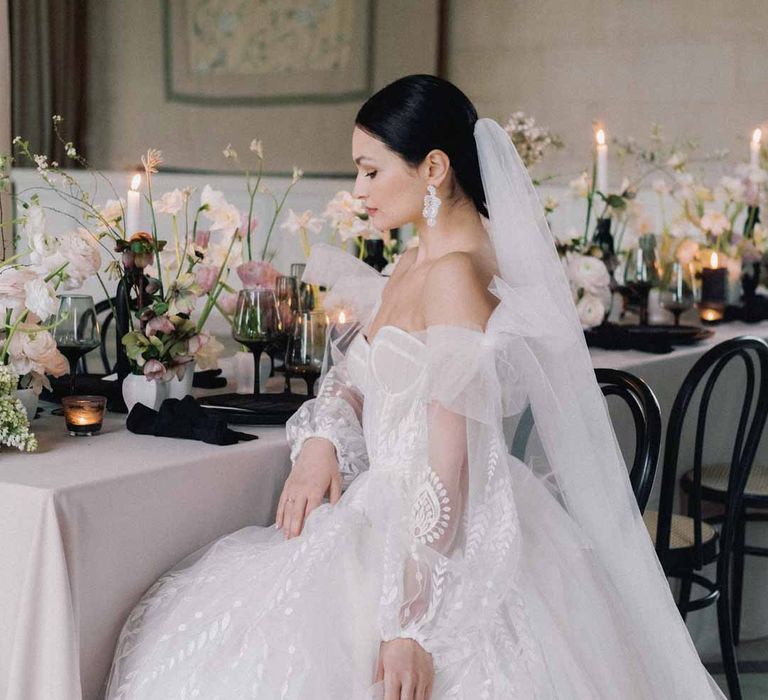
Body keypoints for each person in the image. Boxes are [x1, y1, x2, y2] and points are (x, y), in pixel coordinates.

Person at [106, 75, 725, 700]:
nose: (358, 190)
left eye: (371, 172)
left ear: (433, 167)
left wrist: (411, 622)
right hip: (384, 502)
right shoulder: (413, 260)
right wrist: (323, 438)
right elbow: (356, 375)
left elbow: (449, 463)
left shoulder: (456, 273)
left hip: (435, 526)